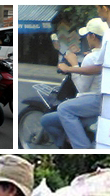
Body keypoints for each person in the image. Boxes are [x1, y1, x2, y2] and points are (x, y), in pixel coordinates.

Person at [56, 6, 110, 148]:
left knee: (64, 109)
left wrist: (70, 68)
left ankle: (82, 148)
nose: (97, 12)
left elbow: (99, 67)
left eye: (98, 8)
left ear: (105, 8)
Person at [41, 17, 106, 148]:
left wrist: (74, 65)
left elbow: (82, 88)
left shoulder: (91, 57)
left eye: (87, 35)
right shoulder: (104, 54)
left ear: (92, 36)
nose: (87, 38)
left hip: (93, 99)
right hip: (101, 100)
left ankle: (81, 147)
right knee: (46, 120)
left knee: (63, 108)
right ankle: (67, 141)